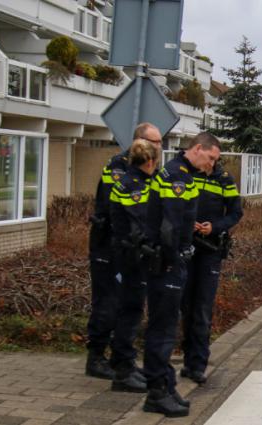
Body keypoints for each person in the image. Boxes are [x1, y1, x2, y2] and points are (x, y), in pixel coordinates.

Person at [143, 132, 220, 417]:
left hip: (171, 262)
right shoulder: (177, 176)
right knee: (162, 329)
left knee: (167, 327)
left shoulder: (181, 173)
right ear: (198, 149)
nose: (211, 165)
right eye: (210, 157)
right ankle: (156, 391)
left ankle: (165, 383)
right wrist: (177, 256)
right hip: (167, 264)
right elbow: (170, 227)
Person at [85, 123, 162, 379]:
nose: (160, 147)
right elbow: (124, 213)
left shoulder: (148, 171)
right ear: (139, 140)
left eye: (161, 142)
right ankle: (95, 357)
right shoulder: (118, 169)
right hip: (108, 246)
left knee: (129, 304)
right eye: (156, 142)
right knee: (107, 303)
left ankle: (121, 358)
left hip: (130, 251)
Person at [180, 159, 243, 384]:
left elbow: (236, 212)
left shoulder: (224, 179)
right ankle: (187, 359)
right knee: (186, 305)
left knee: (203, 307)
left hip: (210, 251)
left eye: (213, 159)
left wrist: (214, 227)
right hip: (186, 246)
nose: (209, 163)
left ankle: (198, 364)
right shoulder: (185, 174)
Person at [108, 139, 160, 394]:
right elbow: (139, 223)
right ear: (149, 161)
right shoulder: (134, 186)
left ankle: (123, 363)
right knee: (130, 311)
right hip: (131, 257)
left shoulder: (128, 181)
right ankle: (123, 371)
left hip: (127, 253)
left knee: (129, 310)